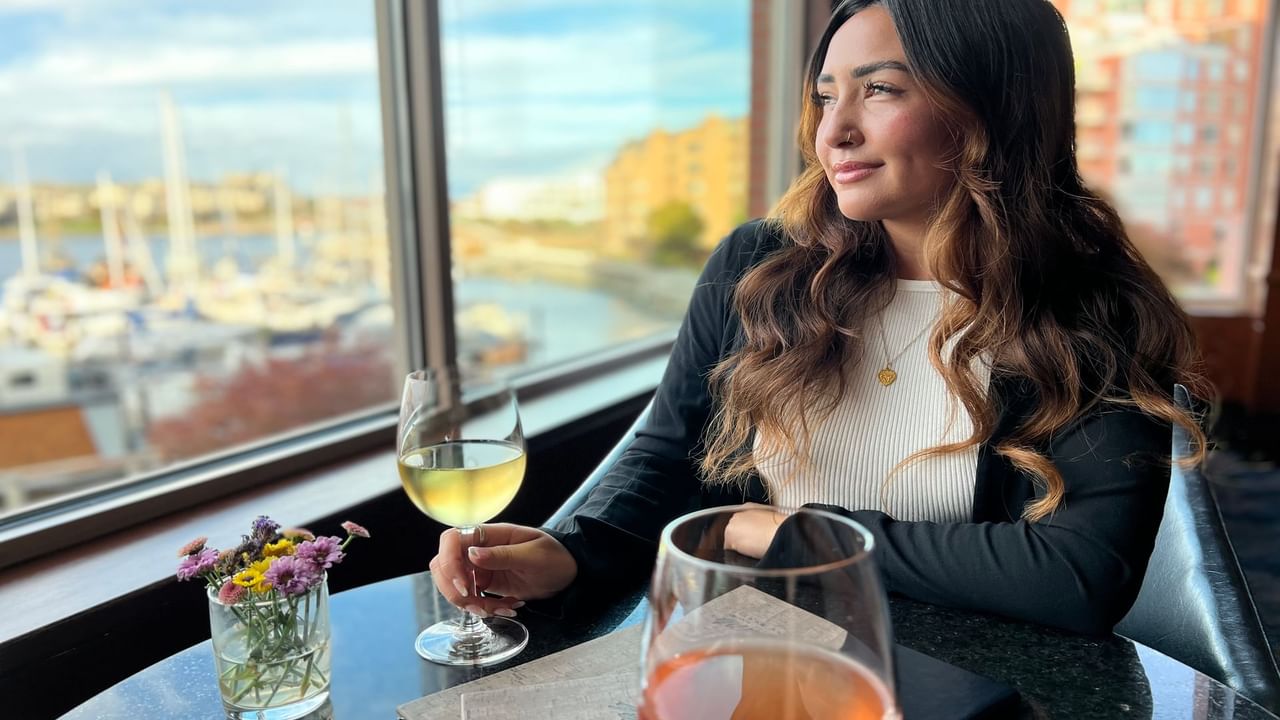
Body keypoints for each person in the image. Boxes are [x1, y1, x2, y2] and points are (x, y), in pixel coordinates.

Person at [428, 0, 1210, 636]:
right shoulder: (755, 266)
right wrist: (570, 553)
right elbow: (669, 458)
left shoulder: (1091, 309)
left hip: (963, 676)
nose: (833, 132)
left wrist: (783, 531)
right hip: (745, 649)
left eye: (881, 89)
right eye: (827, 95)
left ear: (991, 108)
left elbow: (1076, 576)